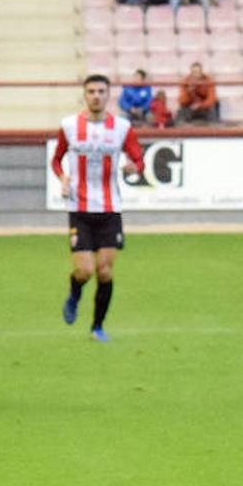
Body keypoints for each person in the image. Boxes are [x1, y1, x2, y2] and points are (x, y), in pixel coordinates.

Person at [50, 75, 144, 342]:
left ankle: (97, 327)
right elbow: (56, 159)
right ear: (84, 95)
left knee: (104, 270)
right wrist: (63, 178)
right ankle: (75, 292)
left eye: (101, 91)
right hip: (79, 207)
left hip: (110, 209)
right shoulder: (69, 126)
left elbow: (139, 159)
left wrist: (133, 167)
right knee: (85, 271)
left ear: (108, 95)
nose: (96, 96)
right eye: (91, 91)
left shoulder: (122, 128)